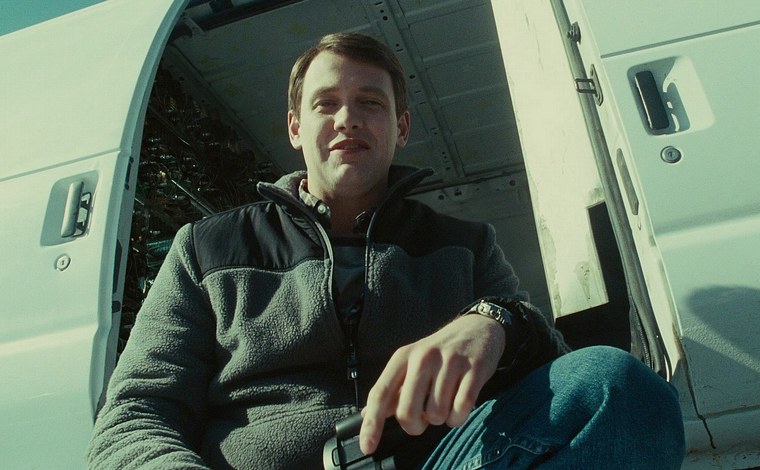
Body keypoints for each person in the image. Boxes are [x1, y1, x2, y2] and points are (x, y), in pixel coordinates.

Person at [87, 32, 685, 469]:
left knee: (614, 386)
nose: (348, 118)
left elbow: (553, 371)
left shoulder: (465, 246)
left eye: (371, 102)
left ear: (401, 127)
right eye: (326, 103)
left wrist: (497, 322)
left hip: (442, 461)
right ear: (295, 128)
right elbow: (132, 417)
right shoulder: (205, 249)